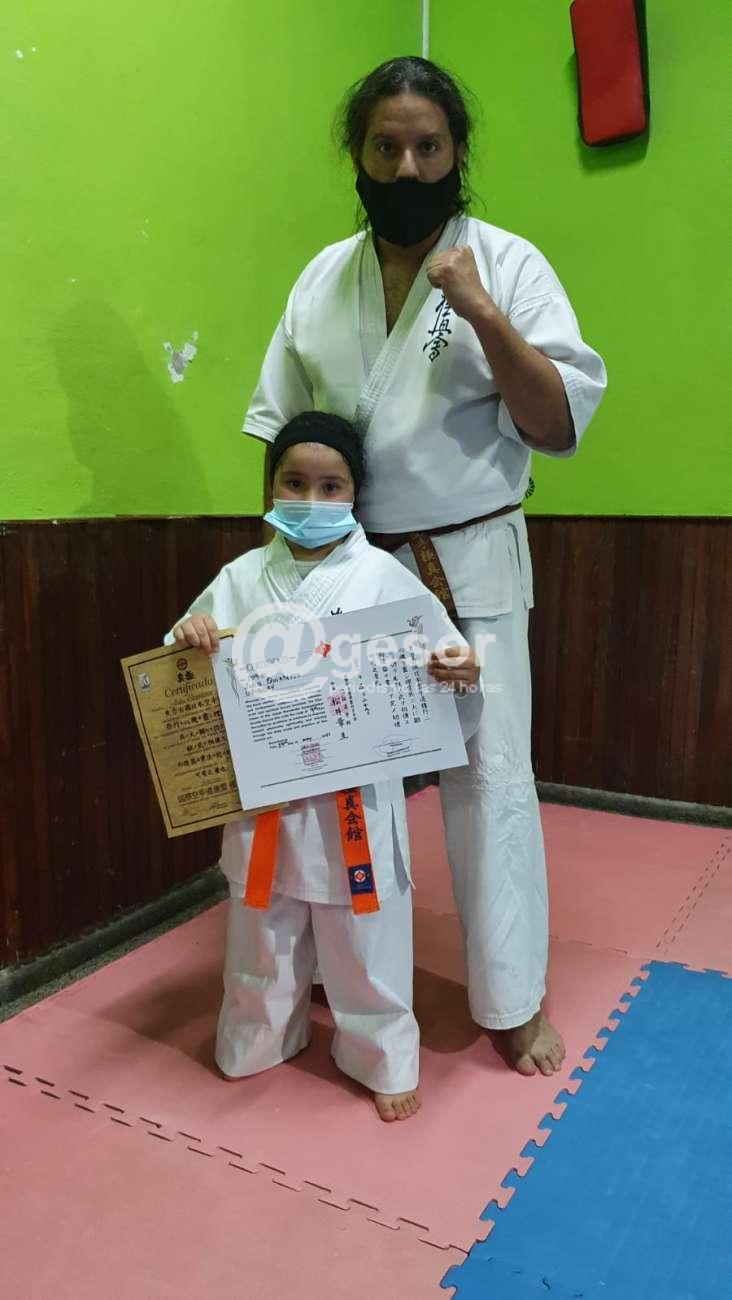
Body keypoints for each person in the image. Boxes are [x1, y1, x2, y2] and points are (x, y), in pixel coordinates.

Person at [241, 58, 608, 1078]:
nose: (407, 167)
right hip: (342, 566)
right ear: (356, 155)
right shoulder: (322, 279)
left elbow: (556, 424)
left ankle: (512, 1000)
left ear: (458, 153)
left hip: (468, 563)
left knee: (489, 784)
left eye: (428, 146)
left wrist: (483, 312)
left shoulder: (509, 263)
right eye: (386, 146)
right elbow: (279, 434)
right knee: (332, 784)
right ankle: (339, 966)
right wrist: (276, 571)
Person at [168, 412, 483, 1121]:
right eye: (294, 482)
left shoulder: (386, 578)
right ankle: (257, 1037)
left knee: (366, 938)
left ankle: (383, 1055)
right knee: (261, 933)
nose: (311, 500)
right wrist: (189, 637)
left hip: (355, 801)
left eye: (331, 486)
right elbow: (179, 682)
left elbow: (448, 678)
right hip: (266, 800)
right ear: (270, 487)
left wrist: (459, 674)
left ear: (355, 494)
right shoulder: (240, 577)